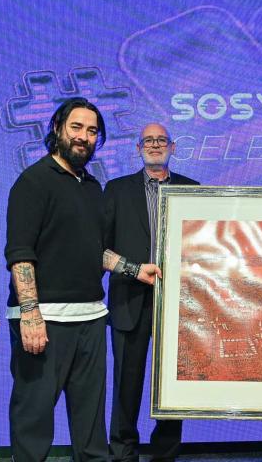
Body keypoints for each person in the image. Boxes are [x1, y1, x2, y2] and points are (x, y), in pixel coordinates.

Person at [5, 97, 112, 461]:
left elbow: (95, 251)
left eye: (92, 131)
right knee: (33, 421)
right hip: (44, 320)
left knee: (92, 428)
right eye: (76, 127)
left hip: (91, 318)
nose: (84, 136)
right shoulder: (33, 181)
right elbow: (20, 253)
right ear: (57, 128)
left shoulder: (92, 187)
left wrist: (134, 269)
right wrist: (30, 314)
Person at [103, 123, 199, 462]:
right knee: (126, 385)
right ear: (138, 148)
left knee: (173, 384)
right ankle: (123, 452)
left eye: (161, 140)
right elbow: (100, 247)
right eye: (148, 140)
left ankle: (165, 453)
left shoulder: (193, 189)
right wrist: (132, 268)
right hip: (129, 300)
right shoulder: (116, 190)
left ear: (173, 147)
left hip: (181, 305)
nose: (155, 145)